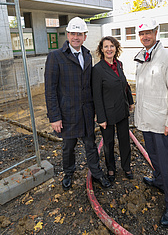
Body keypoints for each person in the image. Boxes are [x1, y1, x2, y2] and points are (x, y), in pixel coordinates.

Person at [44, 17, 111, 191]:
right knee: (68, 148)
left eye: (79, 34)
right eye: (73, 33)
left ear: (85, 36)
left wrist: (96, 111)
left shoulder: (88, 56)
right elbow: (50, 90)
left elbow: (90, 87)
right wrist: (55, 117)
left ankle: (96, 174)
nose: (76, 37)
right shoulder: (56, 57)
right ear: (67, 35)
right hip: (66, 115)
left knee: (90, 145)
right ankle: (68, 173)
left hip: (85, 113)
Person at [134, 17, 168, 227]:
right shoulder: (143, 56)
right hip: (146, 120)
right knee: (153, 155)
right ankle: (159, 180)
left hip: (162, 122)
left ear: (156, 32)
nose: (145, 36)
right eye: (142, 33)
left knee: (166, 162)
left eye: (149, 32)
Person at [92, 36, 134, 182]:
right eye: (106, 46)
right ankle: (111, 169)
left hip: (122, 110)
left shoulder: (119, 64)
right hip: (107, 113)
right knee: (108, 143)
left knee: (124, 140)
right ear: (101, 50)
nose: (109, 49)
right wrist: (101, 118)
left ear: (116, 48)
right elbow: (96, 95)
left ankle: (126, 166)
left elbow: (125, 84)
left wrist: (130, 101)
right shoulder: (97, 69)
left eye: (112, 46)